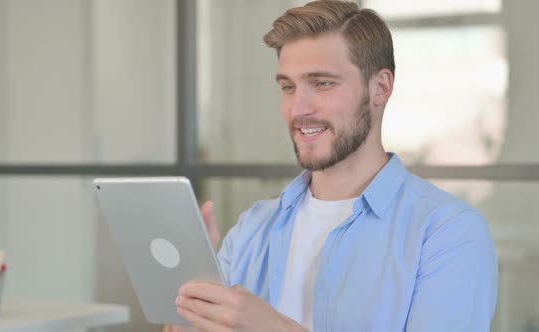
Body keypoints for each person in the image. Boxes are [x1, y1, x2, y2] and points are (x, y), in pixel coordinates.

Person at [170, 1, 498, 331]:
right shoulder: (251, 229)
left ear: (380, 88)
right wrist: (188, 303)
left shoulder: (448, 233)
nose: (299, 107)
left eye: (323, 83)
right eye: (288, 87)